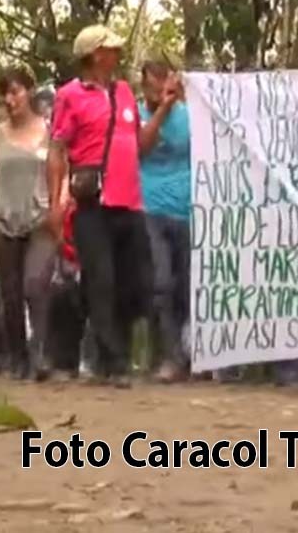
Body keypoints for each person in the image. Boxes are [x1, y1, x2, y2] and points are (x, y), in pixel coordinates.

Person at [47, 25, 151, 388]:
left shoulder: (125, 93)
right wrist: (55, 202)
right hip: (93, 202)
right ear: (95, 55)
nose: (117, 54)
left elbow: (140, 144)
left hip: (130, 202)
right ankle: (114, 362)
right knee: (102, 281)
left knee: (134, 283)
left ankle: (93, 350)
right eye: (111, 49)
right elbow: (57, 150)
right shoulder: (69, 96)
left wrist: (166, 106)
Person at [0, 67, 56, 380]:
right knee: (10, 293)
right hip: (3, 219)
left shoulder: (50, 130)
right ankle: (18, 358)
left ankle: (40, 354)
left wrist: (59, 206)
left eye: (15, 91)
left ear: (30, 91)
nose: (9, 99)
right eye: (4, 94)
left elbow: (61, 171)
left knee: (35, 284)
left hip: (39, 217)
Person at [136, 61, 191, 383]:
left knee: (186, 286)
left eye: (161, 83)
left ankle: (185, 355)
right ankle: (169, 356)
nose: (156, 90)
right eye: (149, 85)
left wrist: (184, 99)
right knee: (161, 282)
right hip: (150, 207)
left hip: (188, 210)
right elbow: (140, 147)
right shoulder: (137, 114)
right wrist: (162, 109)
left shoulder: (190, 115)